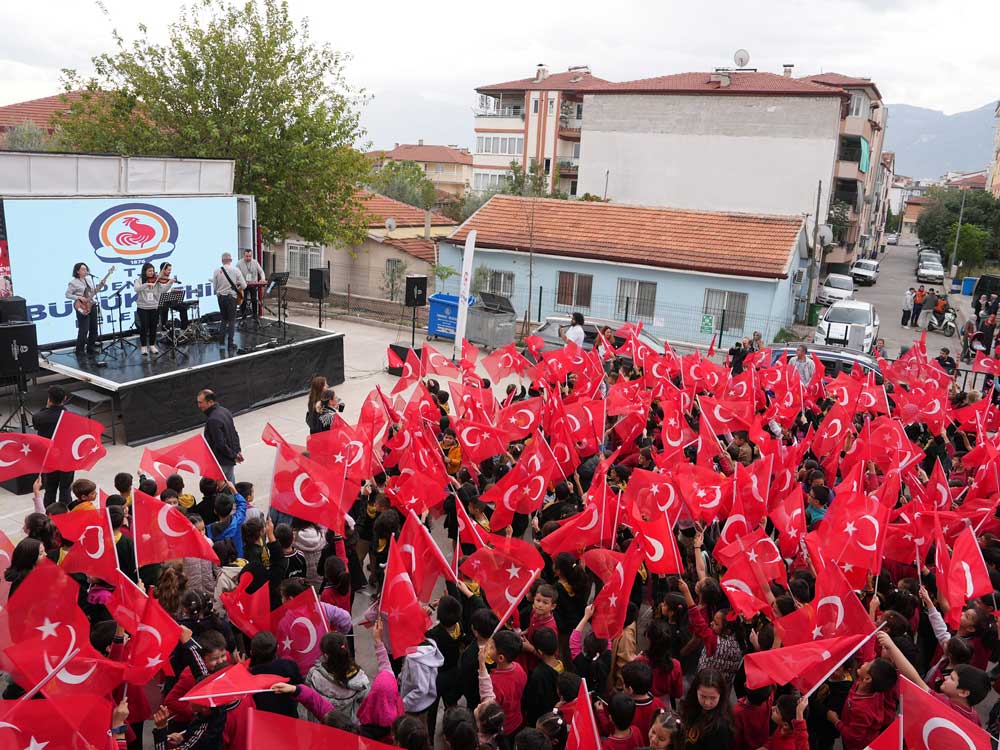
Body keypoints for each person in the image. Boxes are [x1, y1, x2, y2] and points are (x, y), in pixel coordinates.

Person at [32, 384, 72, 506]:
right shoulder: (69, 417)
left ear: (49, 399)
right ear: (64, 398)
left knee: (50, 487)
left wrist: (46, 408)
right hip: (66, 457)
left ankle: (48, 513)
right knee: (65, 487)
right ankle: (65, 513)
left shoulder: (39, 417)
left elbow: (37, 424)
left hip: (49, 456)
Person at [197, 389, 243, 482]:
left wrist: (234, 455)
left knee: (218, 490)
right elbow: (234, 433)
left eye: (201, 402)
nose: (199, 405)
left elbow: (220, 444)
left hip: (221, 462)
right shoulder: (225, 411)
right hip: (228, 460)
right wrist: (236, 452)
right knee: (231, 486)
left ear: (210, 402)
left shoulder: (213, 420)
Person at [65, 262, 109, 355]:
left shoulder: (89, 280)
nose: (86, 271)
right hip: (81, 306)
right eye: (83, 269)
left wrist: (101, 286)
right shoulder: (73, 282)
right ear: (77, 271)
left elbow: (92, 293)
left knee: (94, 328)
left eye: (86, 269)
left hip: (91, 305)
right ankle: (79, 350)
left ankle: (90, 348)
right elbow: (67, 295)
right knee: (84, 329)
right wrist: (78, 297)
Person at [133, 261, 174, 355]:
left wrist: (170, 283)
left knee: (153, 327)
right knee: (144, 327)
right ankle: (143, 347)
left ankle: (152, 345)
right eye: (150, 271)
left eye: (153, 271)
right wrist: (146, 284)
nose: (152, 273)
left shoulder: (156, 280)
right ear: (145, 272)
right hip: (142, 307)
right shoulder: (138, 280)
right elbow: (136, 289)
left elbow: (163, 290)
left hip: (154, 307)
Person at [212, 252, 247, 349]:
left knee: (223, 319)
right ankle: (230, 344)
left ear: (222, 261)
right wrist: (237, 285)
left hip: (221, 298)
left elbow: (214, 288)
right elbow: (244, 286)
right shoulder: (236, 270)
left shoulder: (216, 271)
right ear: (231, 260)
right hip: (231, 298)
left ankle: (221, 341)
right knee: (231, 320)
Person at [157, 262, 189, 331]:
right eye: (168, 270)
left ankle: (184, 328)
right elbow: (162, 291)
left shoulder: (167, 278)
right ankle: (164, 327)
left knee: (183, 307)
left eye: (170, 270)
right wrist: (170, 282)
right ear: (163, 270)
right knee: (164, 308)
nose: (170, 272)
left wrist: (174, 290)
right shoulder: (157, 279)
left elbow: (167, 290)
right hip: (160, 301)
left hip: (168, 300)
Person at [237, 248, 266, 320]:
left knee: (254, 299)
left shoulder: (255, 262)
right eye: (247, 256)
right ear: (243, 256)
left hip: (253, 284)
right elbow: (236, 274)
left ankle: (255, 316)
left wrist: (262, 279)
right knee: (244, 300)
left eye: (250, 256)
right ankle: (243, 316)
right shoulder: (239, 263)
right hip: (244, 285)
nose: (248, 258)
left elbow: (261, 271)